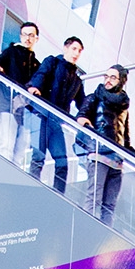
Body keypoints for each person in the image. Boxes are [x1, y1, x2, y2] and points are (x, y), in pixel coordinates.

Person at [25, 37, 86, 193]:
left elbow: (82, 104)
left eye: (79, 51)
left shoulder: (77, 80)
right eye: (74, 49)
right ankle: (31, 189)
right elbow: (41, 74)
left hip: (55, 121)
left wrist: (87, 117)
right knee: (39, 156)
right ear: (65, 48)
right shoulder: (52, 62)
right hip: (41, 114)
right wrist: (35, 88)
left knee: (62, 162)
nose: (77, 53)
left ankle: (58, 195)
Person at [75, 65, 131, 224]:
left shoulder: (123, 106)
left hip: (117, 158)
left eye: (113, 77)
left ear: (121, 81)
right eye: (106, 76)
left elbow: (125, 134)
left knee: (110, 204)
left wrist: (131, 153)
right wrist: (86, 124)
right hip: (99, 153)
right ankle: (88, 228)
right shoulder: (95, 97)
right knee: (94, 197)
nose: (108, 80)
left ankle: (104, 232)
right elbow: (82, 116)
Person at [0, 22, 41, 163]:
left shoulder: (37, 64)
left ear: (37, 39)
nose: (27, 38)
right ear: (20, 36)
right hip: (9, 105)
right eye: (24, 35)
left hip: (26, 111)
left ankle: (11, 181)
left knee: (19, 152)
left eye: (31, 35)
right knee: (6, 147)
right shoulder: (11, 52)